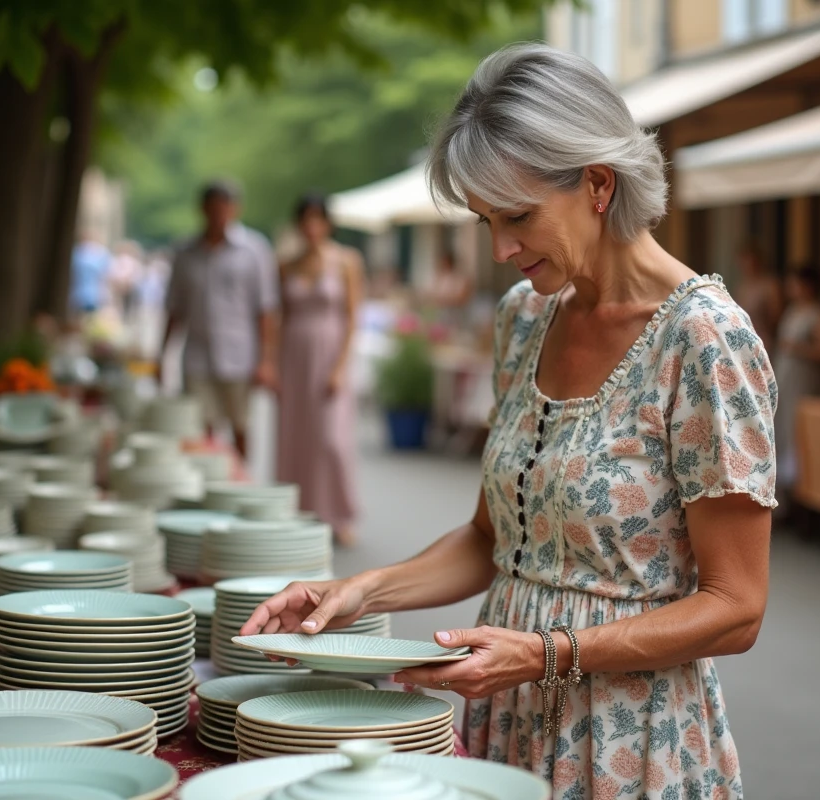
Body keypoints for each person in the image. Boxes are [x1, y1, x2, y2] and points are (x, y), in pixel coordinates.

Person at [242, 45, 776, 798]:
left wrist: (548, 653)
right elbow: (492, 540)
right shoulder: (524, 317)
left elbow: (736, 608)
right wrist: (361, 591)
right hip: (509, 715)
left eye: (518, 216)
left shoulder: (705, 340)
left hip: (630, 737)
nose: (499, 249)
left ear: (598, 183)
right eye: (485, 220)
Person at [158, 180, 279, 458]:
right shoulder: (184, 253)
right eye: (213, 208)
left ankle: (240, 476)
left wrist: (266, 360)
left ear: (235, 209)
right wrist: (161, 354)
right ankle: (208, 478)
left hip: (240, 354)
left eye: (224, 208)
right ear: (202, 209)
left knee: (241, 424)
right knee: (200, 427)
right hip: (197, 354)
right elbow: (174, 308)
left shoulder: (254, 249)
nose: (218, 215)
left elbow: (266, 309)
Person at [275, 194, 363, 546]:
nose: (312, 226)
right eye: (306, 219)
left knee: (331, 440)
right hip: (293, 358)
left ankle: (339, 516)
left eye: (318, 219)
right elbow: (278, 319)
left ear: (327, 223)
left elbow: (353, 317)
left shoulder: (346, 261)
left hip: (329, 355)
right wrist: (271, 364)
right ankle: (297, 512)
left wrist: (340, 367)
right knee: (296, 436)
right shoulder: (286, 265)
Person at [774, 265, 820, 497]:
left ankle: (801, 488)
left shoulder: (818, 314)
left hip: (803, 380)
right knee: (783, 428)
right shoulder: (792, 310)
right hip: (786, 377)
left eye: (795, 283)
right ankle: (784, 489)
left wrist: (797, 347)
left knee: (798, 430)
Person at [734, 241, 782, 350]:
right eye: (743, 260)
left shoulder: (770, 285)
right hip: (743, 339)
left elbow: (776, 317)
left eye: (750, 260)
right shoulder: (741, 286)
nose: (746, 265)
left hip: (763, 339)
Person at [70, 230, 112, 317]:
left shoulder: (77, 251)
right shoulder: (101, 252)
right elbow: (106, 276)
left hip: (78, 293)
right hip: (95, 294)